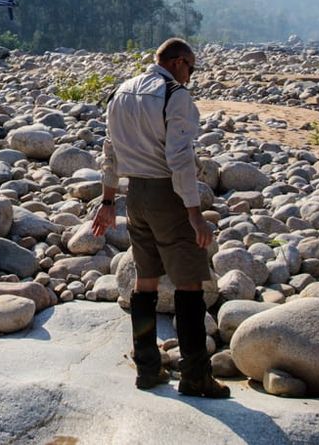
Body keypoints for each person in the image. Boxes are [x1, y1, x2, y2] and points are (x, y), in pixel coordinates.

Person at [92, 37, 229, 398]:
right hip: (167, 196)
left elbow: (110, 149)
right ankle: (196, 376)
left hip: (134, 196)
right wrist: (195, 214)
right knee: (189, 285)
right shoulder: (174, 95)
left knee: (145, 281)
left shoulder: (121, 91)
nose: (191, 77)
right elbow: (180, 158)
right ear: (179, 62)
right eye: (192, 69)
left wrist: (108, 201)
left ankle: (147, 369)